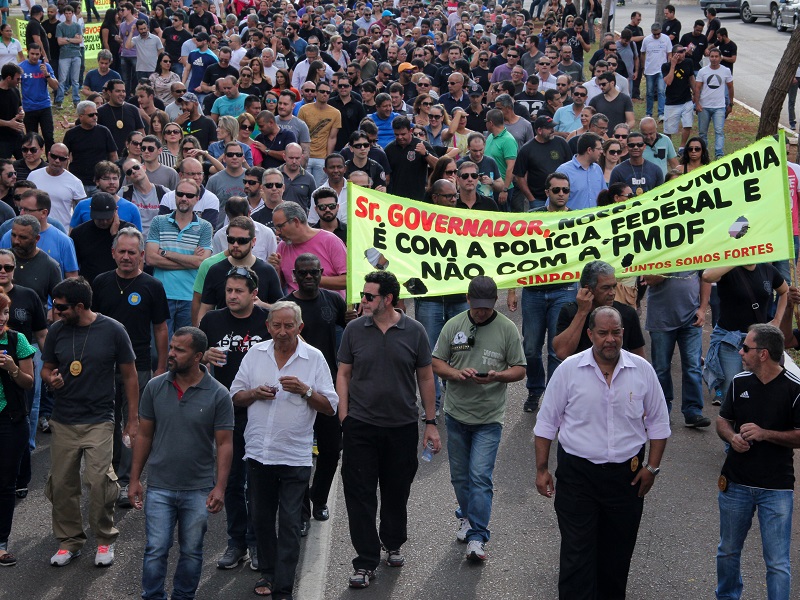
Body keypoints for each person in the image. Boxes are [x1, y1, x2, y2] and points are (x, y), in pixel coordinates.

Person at [534, 305, 670, 599]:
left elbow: (659, 423)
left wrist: (652, 468)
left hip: (626, 479)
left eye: (616, 332)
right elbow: (546, 423)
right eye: (603, 333)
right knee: (577, 556)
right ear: (590, 334)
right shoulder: (569, 370)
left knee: (616, 559)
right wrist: (542, 469)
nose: (611, 339)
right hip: (577, 478)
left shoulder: (642, 371)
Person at [337, 270, 440, 589]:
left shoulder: (415, 331)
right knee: (359, 494)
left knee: (397, 492)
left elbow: (425, 377)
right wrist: (345, 417)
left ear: (388, 299)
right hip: (361, 427)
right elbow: (343, 374)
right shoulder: (354, 330)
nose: (362, 301)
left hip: (402, 427)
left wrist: (431, 422)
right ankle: (366, 560)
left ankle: (392, 541)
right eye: (362, 295)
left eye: (369, 296)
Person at [231, 301, 338, 598]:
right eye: (276, 325)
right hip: (259, 455)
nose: (282, 331)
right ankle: (268, 572)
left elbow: (330, 407)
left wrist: (305, 390)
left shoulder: (314, 358)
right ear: (268, 327)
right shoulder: (255, 354)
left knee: (291, 524)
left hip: (295, 456)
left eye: (288, 325)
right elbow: (235, 396)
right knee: (262, 520)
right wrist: (254, 393)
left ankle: (283, 587)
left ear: (300, 327)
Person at [129, 326, 233, 600]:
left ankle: (183, 597)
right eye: (171, 347)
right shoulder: (155, 386)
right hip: (160, 486)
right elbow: (145, 435)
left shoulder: (219, 394)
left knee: (191, 550)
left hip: (198, 488)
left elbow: (224, 444)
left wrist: (220, 487)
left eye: (179, 350)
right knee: (156, 548)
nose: (171, 354)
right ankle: (152, 596)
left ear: (198, 356)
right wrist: (134, 479)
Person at [41, 277, 138, 567]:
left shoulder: (113, 330)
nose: (56, 312)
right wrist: (51, 378)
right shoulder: (58, 331)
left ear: (80, 306)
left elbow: (130, 375)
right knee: (62, 484)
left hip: (99, 418)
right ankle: (69, 541)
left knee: (98, 482)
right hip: (64, 419)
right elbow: (46, 368)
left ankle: (105, 539)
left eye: (61, 307)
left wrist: (132, 419)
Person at [431, 276, 525, 562]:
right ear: (468, 299)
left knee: (480, 477)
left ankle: (477, 536)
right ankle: (467, 517)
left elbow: (520, 369)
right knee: (460, 478)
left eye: (487, 306)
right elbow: (436, 363)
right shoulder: (454, 325)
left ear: (494, 300)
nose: (482, 312)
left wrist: (498, 376)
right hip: (456, 414)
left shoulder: (507, 329)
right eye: (477, 306)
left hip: (489, 418)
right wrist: (455, 374)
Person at [715, 323, 800, 600]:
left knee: (777, 562)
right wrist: (731, 437)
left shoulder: (794, 388)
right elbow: (722, 420)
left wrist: (765, 434)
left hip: (776, 488)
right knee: (728, 551)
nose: (740, 352)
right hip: (736, 483)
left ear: (763, 354)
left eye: (746, 348)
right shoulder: (740, 382)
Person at [198, 265, 270, 571]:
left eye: (239, 291)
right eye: (228, 290)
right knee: (230, 481)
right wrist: (202, 356)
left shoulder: (267, 321)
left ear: (254, 294)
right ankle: (236, 542)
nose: (232, 296)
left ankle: (257, 543)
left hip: (261, 410)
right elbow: (189, 356)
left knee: (257, 482)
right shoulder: (211, 320)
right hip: (225, 413)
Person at [91, 226, 168, 510]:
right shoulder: (99, 282)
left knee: (133, 423)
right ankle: (106, 477)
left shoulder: (152, 286)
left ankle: (126, 481)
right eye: (121, 251)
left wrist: (162, 366)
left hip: (140, 367)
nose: (126, 257)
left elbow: (160, 329)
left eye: (131, 252)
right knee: (105, 422)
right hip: (102, 367)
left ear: (141, 256)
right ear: (113, 254)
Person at [281, 253, 352, 533]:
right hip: (292, 388)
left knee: (331, 449)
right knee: (296, 453)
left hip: (325, 388)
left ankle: (318, 498)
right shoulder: (287, 307)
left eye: (314, 272)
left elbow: (351, 330)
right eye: (303, 273)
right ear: (294, 275)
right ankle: (299, 510)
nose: (309, 277)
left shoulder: (333, 300)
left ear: (322, 272)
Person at [507, 172, 577, 413]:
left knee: (558, 349)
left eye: (565, 190)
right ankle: (535, 390)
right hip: (534, 292)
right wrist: (512, 290)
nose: (560, 194)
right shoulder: (531, 219)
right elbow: (516, 254)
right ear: (546, 192)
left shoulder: (578, 221)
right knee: (531, 348)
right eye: (556, 190)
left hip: (564, 290)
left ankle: (555, 398)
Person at [701, 264, 787, 405]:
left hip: (759, 342)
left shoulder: (767, 269)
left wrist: (777, 320)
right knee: (732, 389)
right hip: (730, 340)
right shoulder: (728, 268)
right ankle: (732, 425)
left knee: (759, 389)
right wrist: (736, 258)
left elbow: (784, 291)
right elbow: (706, 276)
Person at [643, 268, 712, 428]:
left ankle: (693, 412)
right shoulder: (657, 248)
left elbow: (706, 277)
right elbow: (650, 279)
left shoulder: (694, 247)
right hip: (661, 318)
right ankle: (662, 411)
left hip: (691, 317)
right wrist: (672, 262)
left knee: (693, 366)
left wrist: (702, 309)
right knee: (661, 368)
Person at [145, 178, 212, 335]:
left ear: (197, 198)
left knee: (186, 349)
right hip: (162, 295)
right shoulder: (158, 222)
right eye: (180, 194)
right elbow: (150, 259)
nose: (184, 198)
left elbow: (201, 263)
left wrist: (165, 253)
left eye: (189, 195)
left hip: (190, 297)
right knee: (161, 351)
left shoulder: (205, 227)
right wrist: (190, 261)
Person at [0, 291, 36, 567]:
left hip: (11, 420)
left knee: (5, 485)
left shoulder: (17, 340)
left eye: (4, 312)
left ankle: (1, 544)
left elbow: (29, 383)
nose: (2, 318)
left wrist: (12, 368)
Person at [553, 260, 646, 360]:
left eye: (613, 286)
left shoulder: (627, 314)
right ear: (588, 289)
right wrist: (582, 312)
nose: (612, 293)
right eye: (605, 288)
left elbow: (639, 358)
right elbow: (562, 352)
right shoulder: (571, 312)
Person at [198, 216, 282, 321]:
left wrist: (262, 305)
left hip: (258, 334)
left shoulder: (267, 271)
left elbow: (281, 309)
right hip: (222, 334)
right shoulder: (215, 270)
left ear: (253, 241)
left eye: (242, 240)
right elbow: (205, 309)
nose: (235, 245)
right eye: (231, 240)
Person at [267, 201, 346, 298]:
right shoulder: (282, 247)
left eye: (280, 226)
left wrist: (309, 279)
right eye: (276, 228)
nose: (278, 233)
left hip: (327, 307)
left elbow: (347, 280)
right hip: (296, 309)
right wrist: (276, 269)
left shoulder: (330, 241)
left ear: (296, 221)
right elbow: (281, 286)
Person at [69, 193, 132, 284]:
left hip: (120, 284)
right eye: (100, 218)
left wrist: (115, 235)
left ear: (116, 211)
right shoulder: (79, 233)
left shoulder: (128, 230)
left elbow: (133, 259)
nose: (104, 222)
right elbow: (73, 266)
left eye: (108, 218)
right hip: (90, 285)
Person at [513, 115, 572, 210]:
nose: (553, 130)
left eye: (553, 127)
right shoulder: (527, 149)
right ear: (539, 130)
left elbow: (570, 168)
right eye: (549, 128)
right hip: (538, 200)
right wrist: (531, 199)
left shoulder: (561, 143)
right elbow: (519, 176)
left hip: (561, 196)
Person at [63, 101, 119, 195]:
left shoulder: (104, 131)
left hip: (100, 183)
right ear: (81, 116)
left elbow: (113, 155)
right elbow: (64, 158)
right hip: (78, 183)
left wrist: (113, 177)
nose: (95, 117)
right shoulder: (71, 134)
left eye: (96, 114)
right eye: (91, 115)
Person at [384, 115, 436, 202]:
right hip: (396, 199)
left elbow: (438, 166)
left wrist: (426, 154)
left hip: (418, 198)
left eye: (403, 134)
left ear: (410, 131)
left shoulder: (422, 145)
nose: (400, 137)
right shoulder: (389, 149)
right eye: (397, 134)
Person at [695, 47, 733, 160]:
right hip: (704, 106)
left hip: (719, 107)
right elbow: (697, 88)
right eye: (712, 56)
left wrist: (730, 104)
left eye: (716, 56)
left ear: (720, 58)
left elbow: (731, 88)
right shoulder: (703, 71)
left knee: (719, 131)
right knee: (702, 133)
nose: (714, 59)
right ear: (709, 57)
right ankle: (704, 154)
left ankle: (719, 153)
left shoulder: (726, 71)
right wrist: (697, 104)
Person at [19, 44, 58, 153]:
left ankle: (50, 161)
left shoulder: (46, 66)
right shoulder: (21, 67)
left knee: (49, 136)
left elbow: (55, 86)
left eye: (37, 54)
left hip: (44, 106)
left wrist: (46, 74)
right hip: (29, 108)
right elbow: (15, 87)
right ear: (28, 52)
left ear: (41, 54)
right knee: (32, 139)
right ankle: (34, 161)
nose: (35, 56)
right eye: (32, 54)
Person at [556, 132, 606, 210]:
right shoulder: (564, 171)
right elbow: (553, 203)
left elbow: (604, 197)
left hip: (596, 221)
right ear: (589, 150)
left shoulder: (597, 169)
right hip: (572, 220)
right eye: (599, 149)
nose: (601, 152)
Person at [97, 79, 146, 154]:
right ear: (109, 92)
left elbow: (141, 133)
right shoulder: (100, 112)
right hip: (109, 156)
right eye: (118, 91)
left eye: (123, 91)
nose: (122, 94)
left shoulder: (133, 109)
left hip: (131, 156)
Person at [661, 45, 695, 152]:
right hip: (672, 102)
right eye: (680, 52)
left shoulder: (688, 62)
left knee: (687, 124)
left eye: (684, 51)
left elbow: (691, 79)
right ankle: (670, 148)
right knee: (668, 129)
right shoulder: (665, 66)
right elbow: (668, 82)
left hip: (686, 99)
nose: (682, 54)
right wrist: (673, 66)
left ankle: (682, 147)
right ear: (674, 54)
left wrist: (696, 94)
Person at [609, 131, 664, 195]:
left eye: (639, 145)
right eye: (631, 145)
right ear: (627, 147)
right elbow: (612, 197)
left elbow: (660, 196)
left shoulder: (656, 170)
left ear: (644, 147)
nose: (635, 147)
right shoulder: (617, 171)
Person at [484, 109, 517, 210]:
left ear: (491, 123)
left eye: (486, 121)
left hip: (502, 189)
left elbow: (511, 167)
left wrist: (505, 190)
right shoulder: (490, 136)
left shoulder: (508, 140)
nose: (485, 124)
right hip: (489, 186)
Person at [640, 22, 671, 121]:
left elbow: (669, 53)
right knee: (649, 92)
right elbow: (642, 53)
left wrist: (668, 66)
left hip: (661, 70)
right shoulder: (647, 40)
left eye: (658, 34)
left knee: (661, 91)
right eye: (655, 34)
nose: (657, 36)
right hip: (650, 70)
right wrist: (643, 66)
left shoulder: (666, 39)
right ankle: (649, 113)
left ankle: (661, 113)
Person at [54, 4, 82, 109]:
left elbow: (80, 40)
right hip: (64, 55)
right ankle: (59, 101)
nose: (68, 15)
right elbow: (59, 41)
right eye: (66, 13)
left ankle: (76, 101)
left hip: (76, 54)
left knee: (75, 80)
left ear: (73, 14)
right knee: (62, 79)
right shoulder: (60, 26)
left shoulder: (77, 26)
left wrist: (68, 39)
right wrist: (72, 39)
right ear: (64, 14)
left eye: (70, 13)